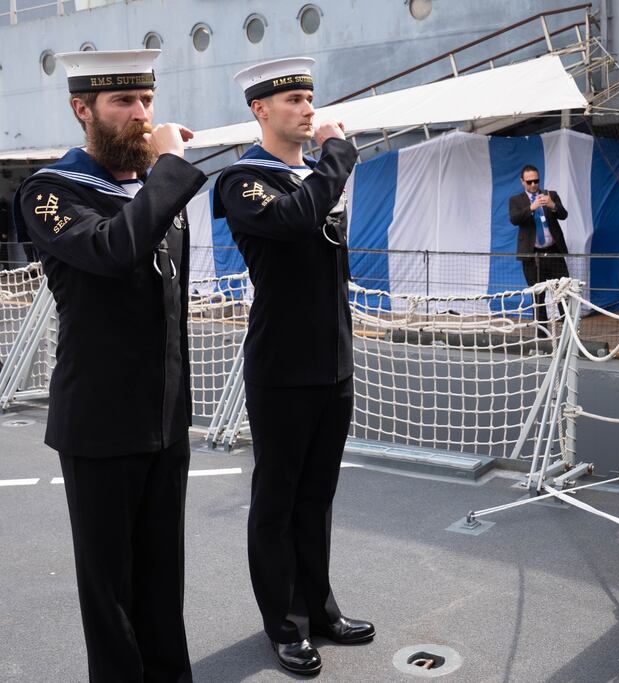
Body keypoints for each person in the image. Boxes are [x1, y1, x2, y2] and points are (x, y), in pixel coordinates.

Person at [12, 49, 205, 681]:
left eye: (146, 101)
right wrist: (168, 172)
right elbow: (113, 250)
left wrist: (178, 413)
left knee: (161, 583)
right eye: (123, 103)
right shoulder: (50, 192)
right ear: (82, 111)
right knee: (111, 596)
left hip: (163, 420)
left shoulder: (148, 189)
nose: (141, 116)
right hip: (99, 425)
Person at [212, 57, 374, 676]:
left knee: (318, 497)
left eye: (310, 98)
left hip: (332, 362)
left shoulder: (312, 176)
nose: (309, 109)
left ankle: (320, 607)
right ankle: (283, 623)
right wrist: (338, 156)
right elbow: (294, 219)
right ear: (261, 110)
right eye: (294, 101)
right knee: (275, 502)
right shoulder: (242, 181)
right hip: (280, 368)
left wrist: (325, 166)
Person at [508, 165, 569, 330]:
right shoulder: (516, 200)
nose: (534, 184)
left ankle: (569, 333)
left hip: (554, 252)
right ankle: (542, 338)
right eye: (529, 182)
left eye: (536, 180)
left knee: (563, 294)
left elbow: (563, 215)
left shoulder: (551, 195)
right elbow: (514, 219)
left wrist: (553, 205)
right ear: (522, 182)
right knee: (538, 298)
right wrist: (531, 208)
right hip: (532, 256)